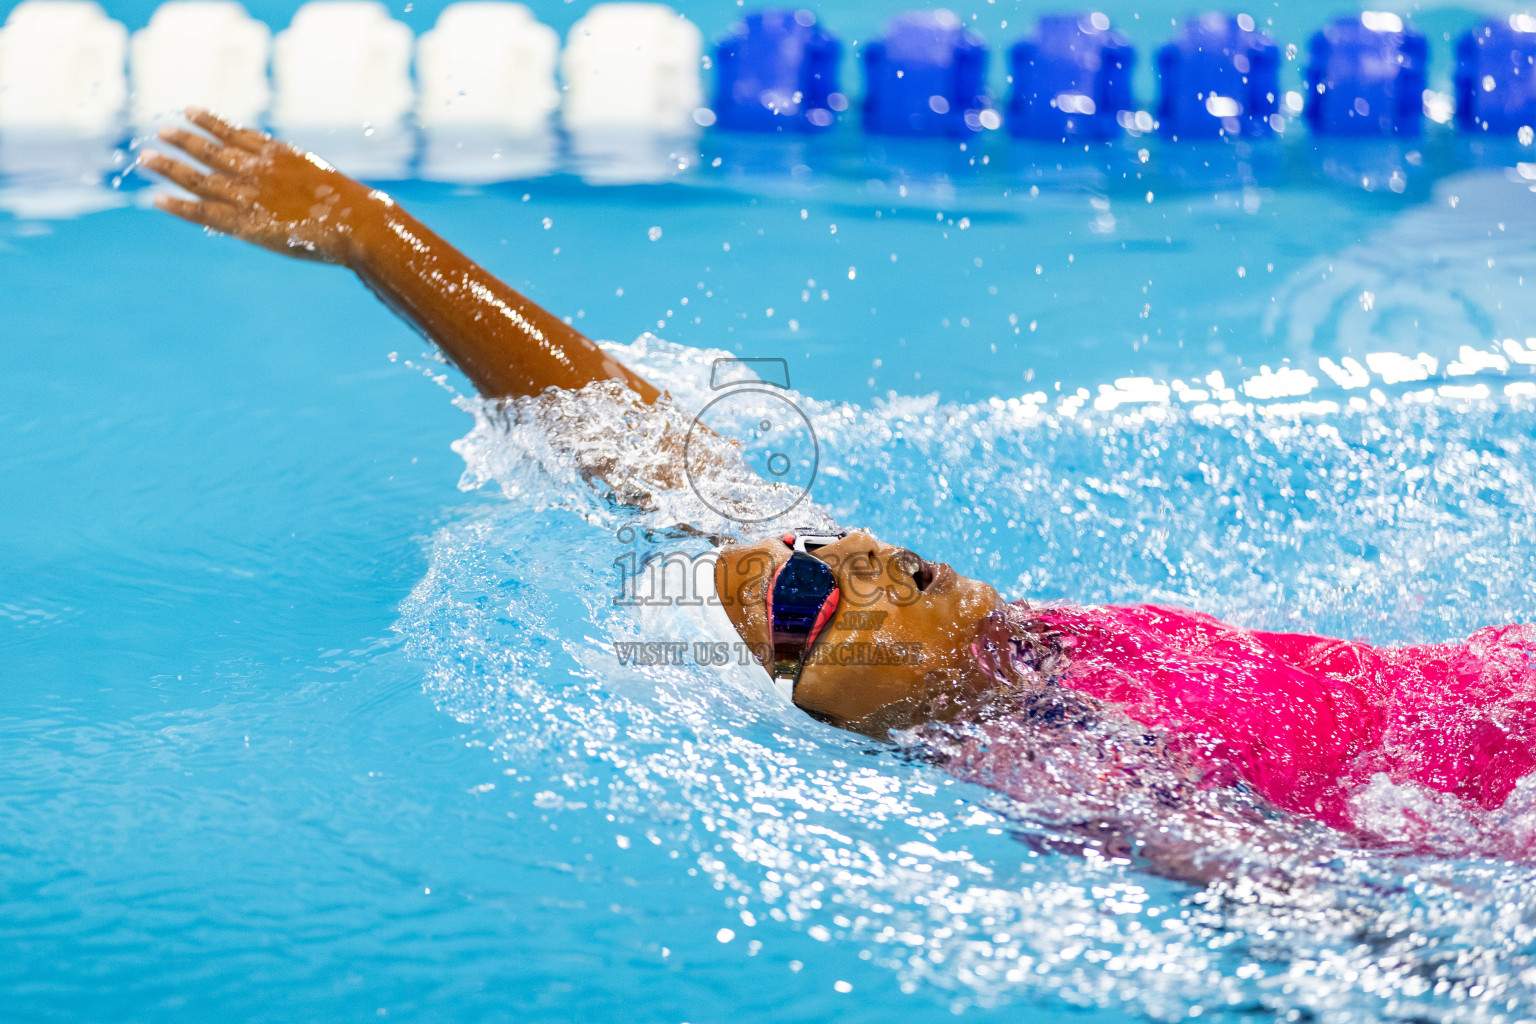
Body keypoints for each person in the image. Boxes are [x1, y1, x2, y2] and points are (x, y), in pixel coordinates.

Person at [141, 110, 1536, 874]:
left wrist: (378, 235)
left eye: (828, 545)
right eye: (815, 588)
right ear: (821, 706)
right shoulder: (1080, 781)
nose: (863, 553)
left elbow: (625, 444)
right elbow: (1355, 942)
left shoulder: (1025, 649)